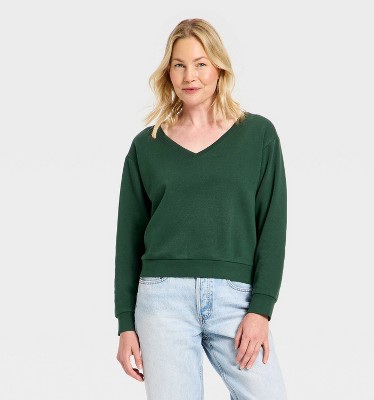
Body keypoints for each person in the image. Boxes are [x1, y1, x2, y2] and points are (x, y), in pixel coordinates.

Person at [114, 18, 288, 399]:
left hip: (236, 300)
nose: (189, 76)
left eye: (200, 64)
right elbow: (128, 241)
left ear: (219, 68)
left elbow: (272, 229)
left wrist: (261, 309)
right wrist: (125, 324)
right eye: (179, 65)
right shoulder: (147, 146)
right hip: (162, 301)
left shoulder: (258, 136)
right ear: (168, 72)